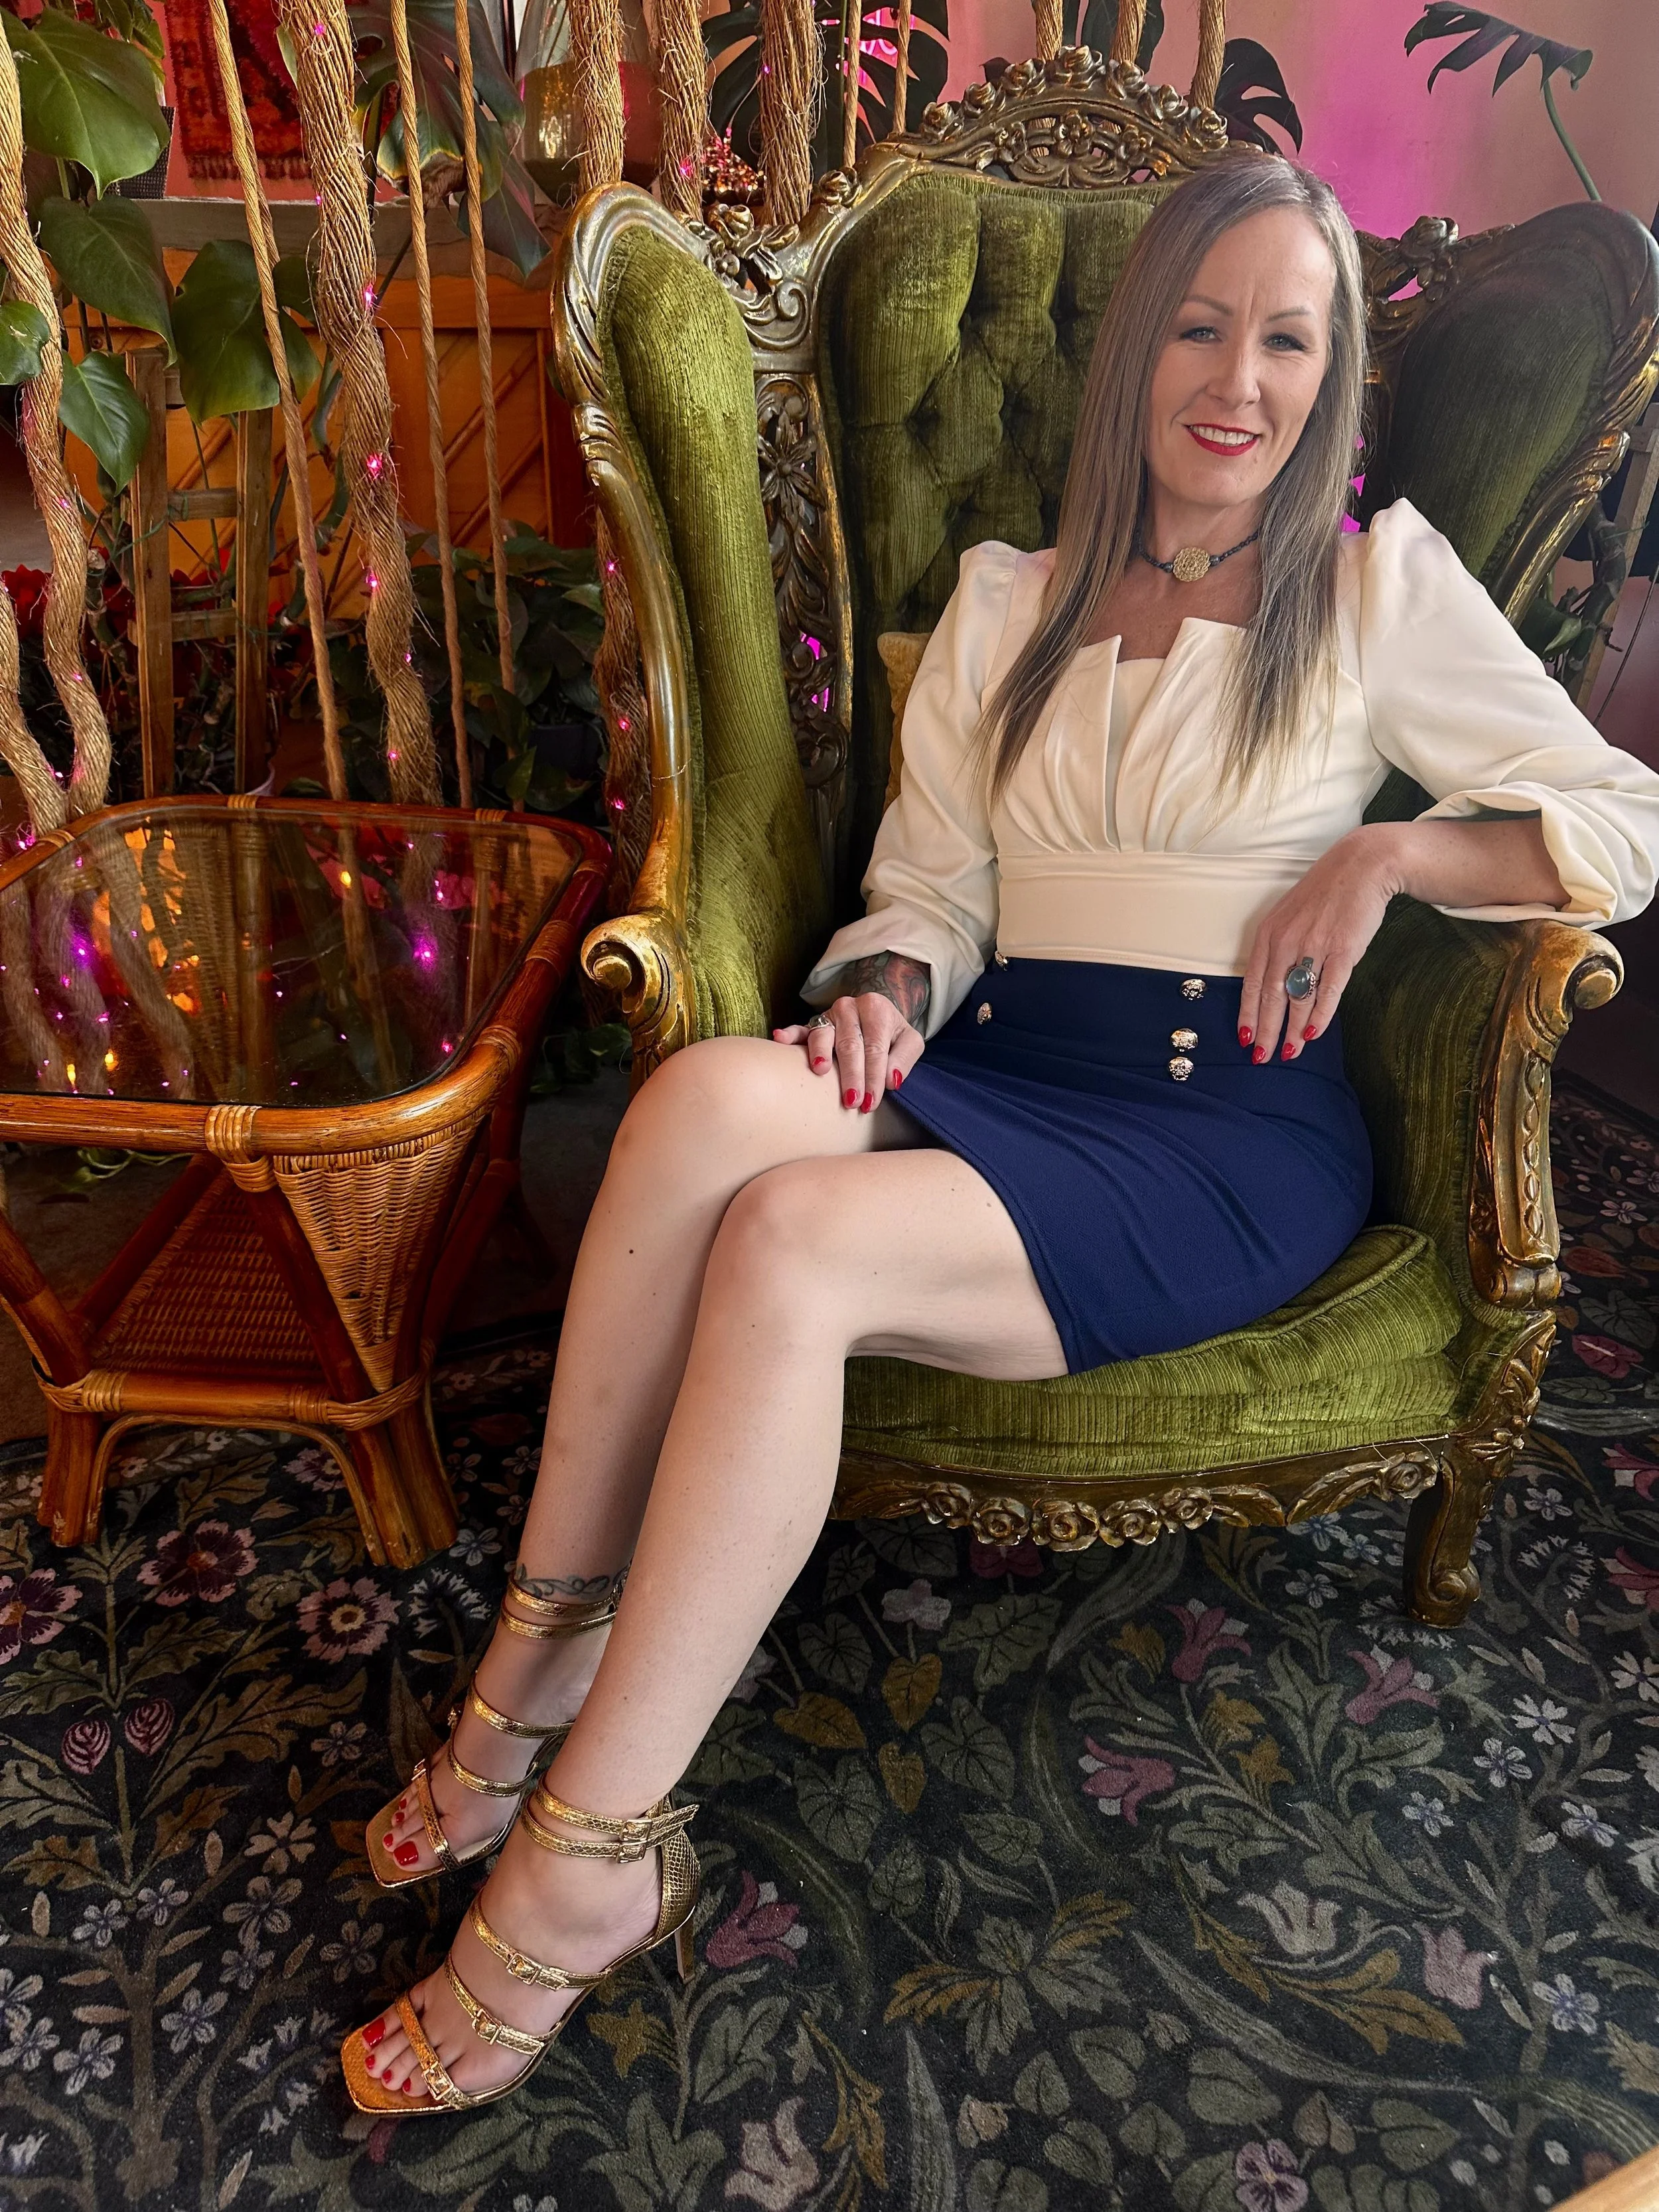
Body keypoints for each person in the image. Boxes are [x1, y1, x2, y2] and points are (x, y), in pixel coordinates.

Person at [342, 153, 1659, 2114]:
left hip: (1222, 1124)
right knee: (704, 1100)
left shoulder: (1375, 589)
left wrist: (1392, 856)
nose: (1239, 379)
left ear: (1333, 375)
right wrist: (884, 983)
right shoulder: (1005, 599)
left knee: (791, 1237)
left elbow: (1624, 819)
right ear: (1136, 351)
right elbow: (935, 886)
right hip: (1000, 1059)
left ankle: (589, 1855)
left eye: (1287, 339)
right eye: (1199, 326)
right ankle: (536, 1657)